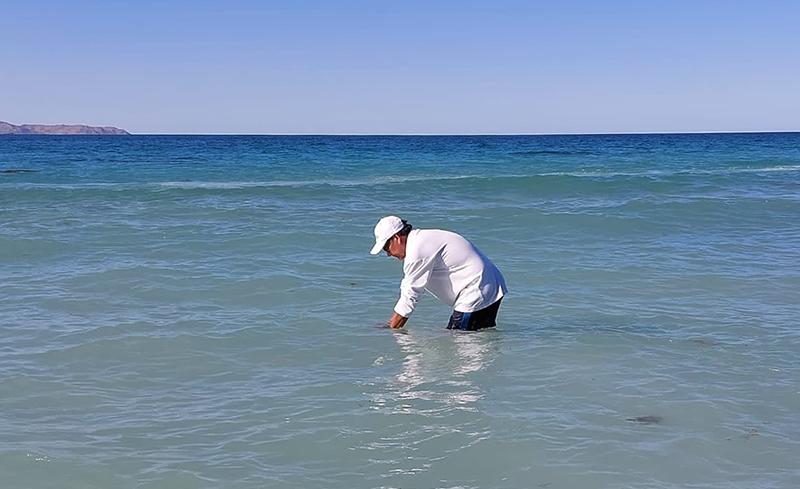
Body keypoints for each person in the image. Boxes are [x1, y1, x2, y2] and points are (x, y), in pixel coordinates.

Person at [370, 216, 507, 330]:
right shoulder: (422, 239)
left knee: (459, 341)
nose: (388, 254)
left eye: (386, 248)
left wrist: (392, 329)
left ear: (397, 237)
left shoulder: (417, 251)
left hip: (476, 289)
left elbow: (410, 295)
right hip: (488, 283)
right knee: (477, 341)